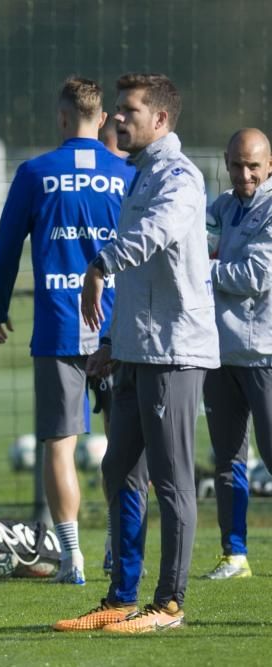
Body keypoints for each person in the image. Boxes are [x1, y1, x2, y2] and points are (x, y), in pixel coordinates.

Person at [55, 73, 218, 633]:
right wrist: (110, 344)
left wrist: (99, 265)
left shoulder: (181, 178)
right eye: (117, 110)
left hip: (174, 351)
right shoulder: (142, 174)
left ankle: (169, 603)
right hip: (135, 351)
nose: (117, 118)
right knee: (119, 469)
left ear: (161, 121)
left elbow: (154, 235)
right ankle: (121, 597)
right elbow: (146, 281)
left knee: (171, 480)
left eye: (128, 110)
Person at [0, 77, 134, 586]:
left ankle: (72, 557)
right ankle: (119, 542)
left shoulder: (35, 173)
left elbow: (6, 247)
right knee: (125, 441)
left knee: (58, 442)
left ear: (63, 117)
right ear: (105, 120)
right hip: (121, 325)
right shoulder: (126, 173)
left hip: (59, 324)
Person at [201, 128, 272, 580]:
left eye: (253, 166)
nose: (244, 174)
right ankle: (235, 555)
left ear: (270, 166)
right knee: (227, 457)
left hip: (264, 354)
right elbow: (197, 244)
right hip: (220, 352)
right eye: (236, 165)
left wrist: (205, 270)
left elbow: (256, 275)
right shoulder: (222, 207)